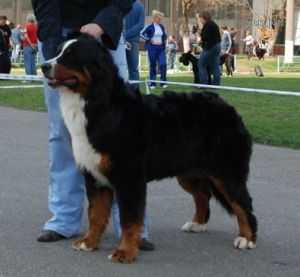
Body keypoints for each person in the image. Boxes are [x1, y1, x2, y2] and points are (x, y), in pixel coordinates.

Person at [32, 0, 154, 251]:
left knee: (123, 134)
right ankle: (64, 219)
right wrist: (56, 47)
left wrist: (102, 23)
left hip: (105, 35)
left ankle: (131, 225)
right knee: (62, 132)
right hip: (59, 34)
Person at [141, 10, 167, 89]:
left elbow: (164, 36)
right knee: (153, 65)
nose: (160, 20)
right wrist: (149, 39)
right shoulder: (149, 26)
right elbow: (141, 34)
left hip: (161, 48)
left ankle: (163, 82)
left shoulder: (162, 26)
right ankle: (152, 83)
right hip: (152, 48)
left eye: (161, 18)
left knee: (163, 64)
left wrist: (165, 40)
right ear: (155, 18)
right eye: (159, 18)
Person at [125, 0, 145, 88]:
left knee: (126, 68)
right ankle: (135, 91)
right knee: (133, 69)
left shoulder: (120, 4)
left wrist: (124, 35)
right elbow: (140, 25)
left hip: (122, 40)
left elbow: (140, 25)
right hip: (132, 40)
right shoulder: (140, 6)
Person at [198, 11, 221, 85]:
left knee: (201, 64)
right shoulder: (214, 24)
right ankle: (216, 84)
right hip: (217, 46)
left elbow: (205, 37)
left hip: (210, 47)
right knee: (215, 65)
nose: (200, 21)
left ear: (203, 18)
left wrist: (201, 39)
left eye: (200, 19)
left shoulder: (207, 25)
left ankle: (204, 83)